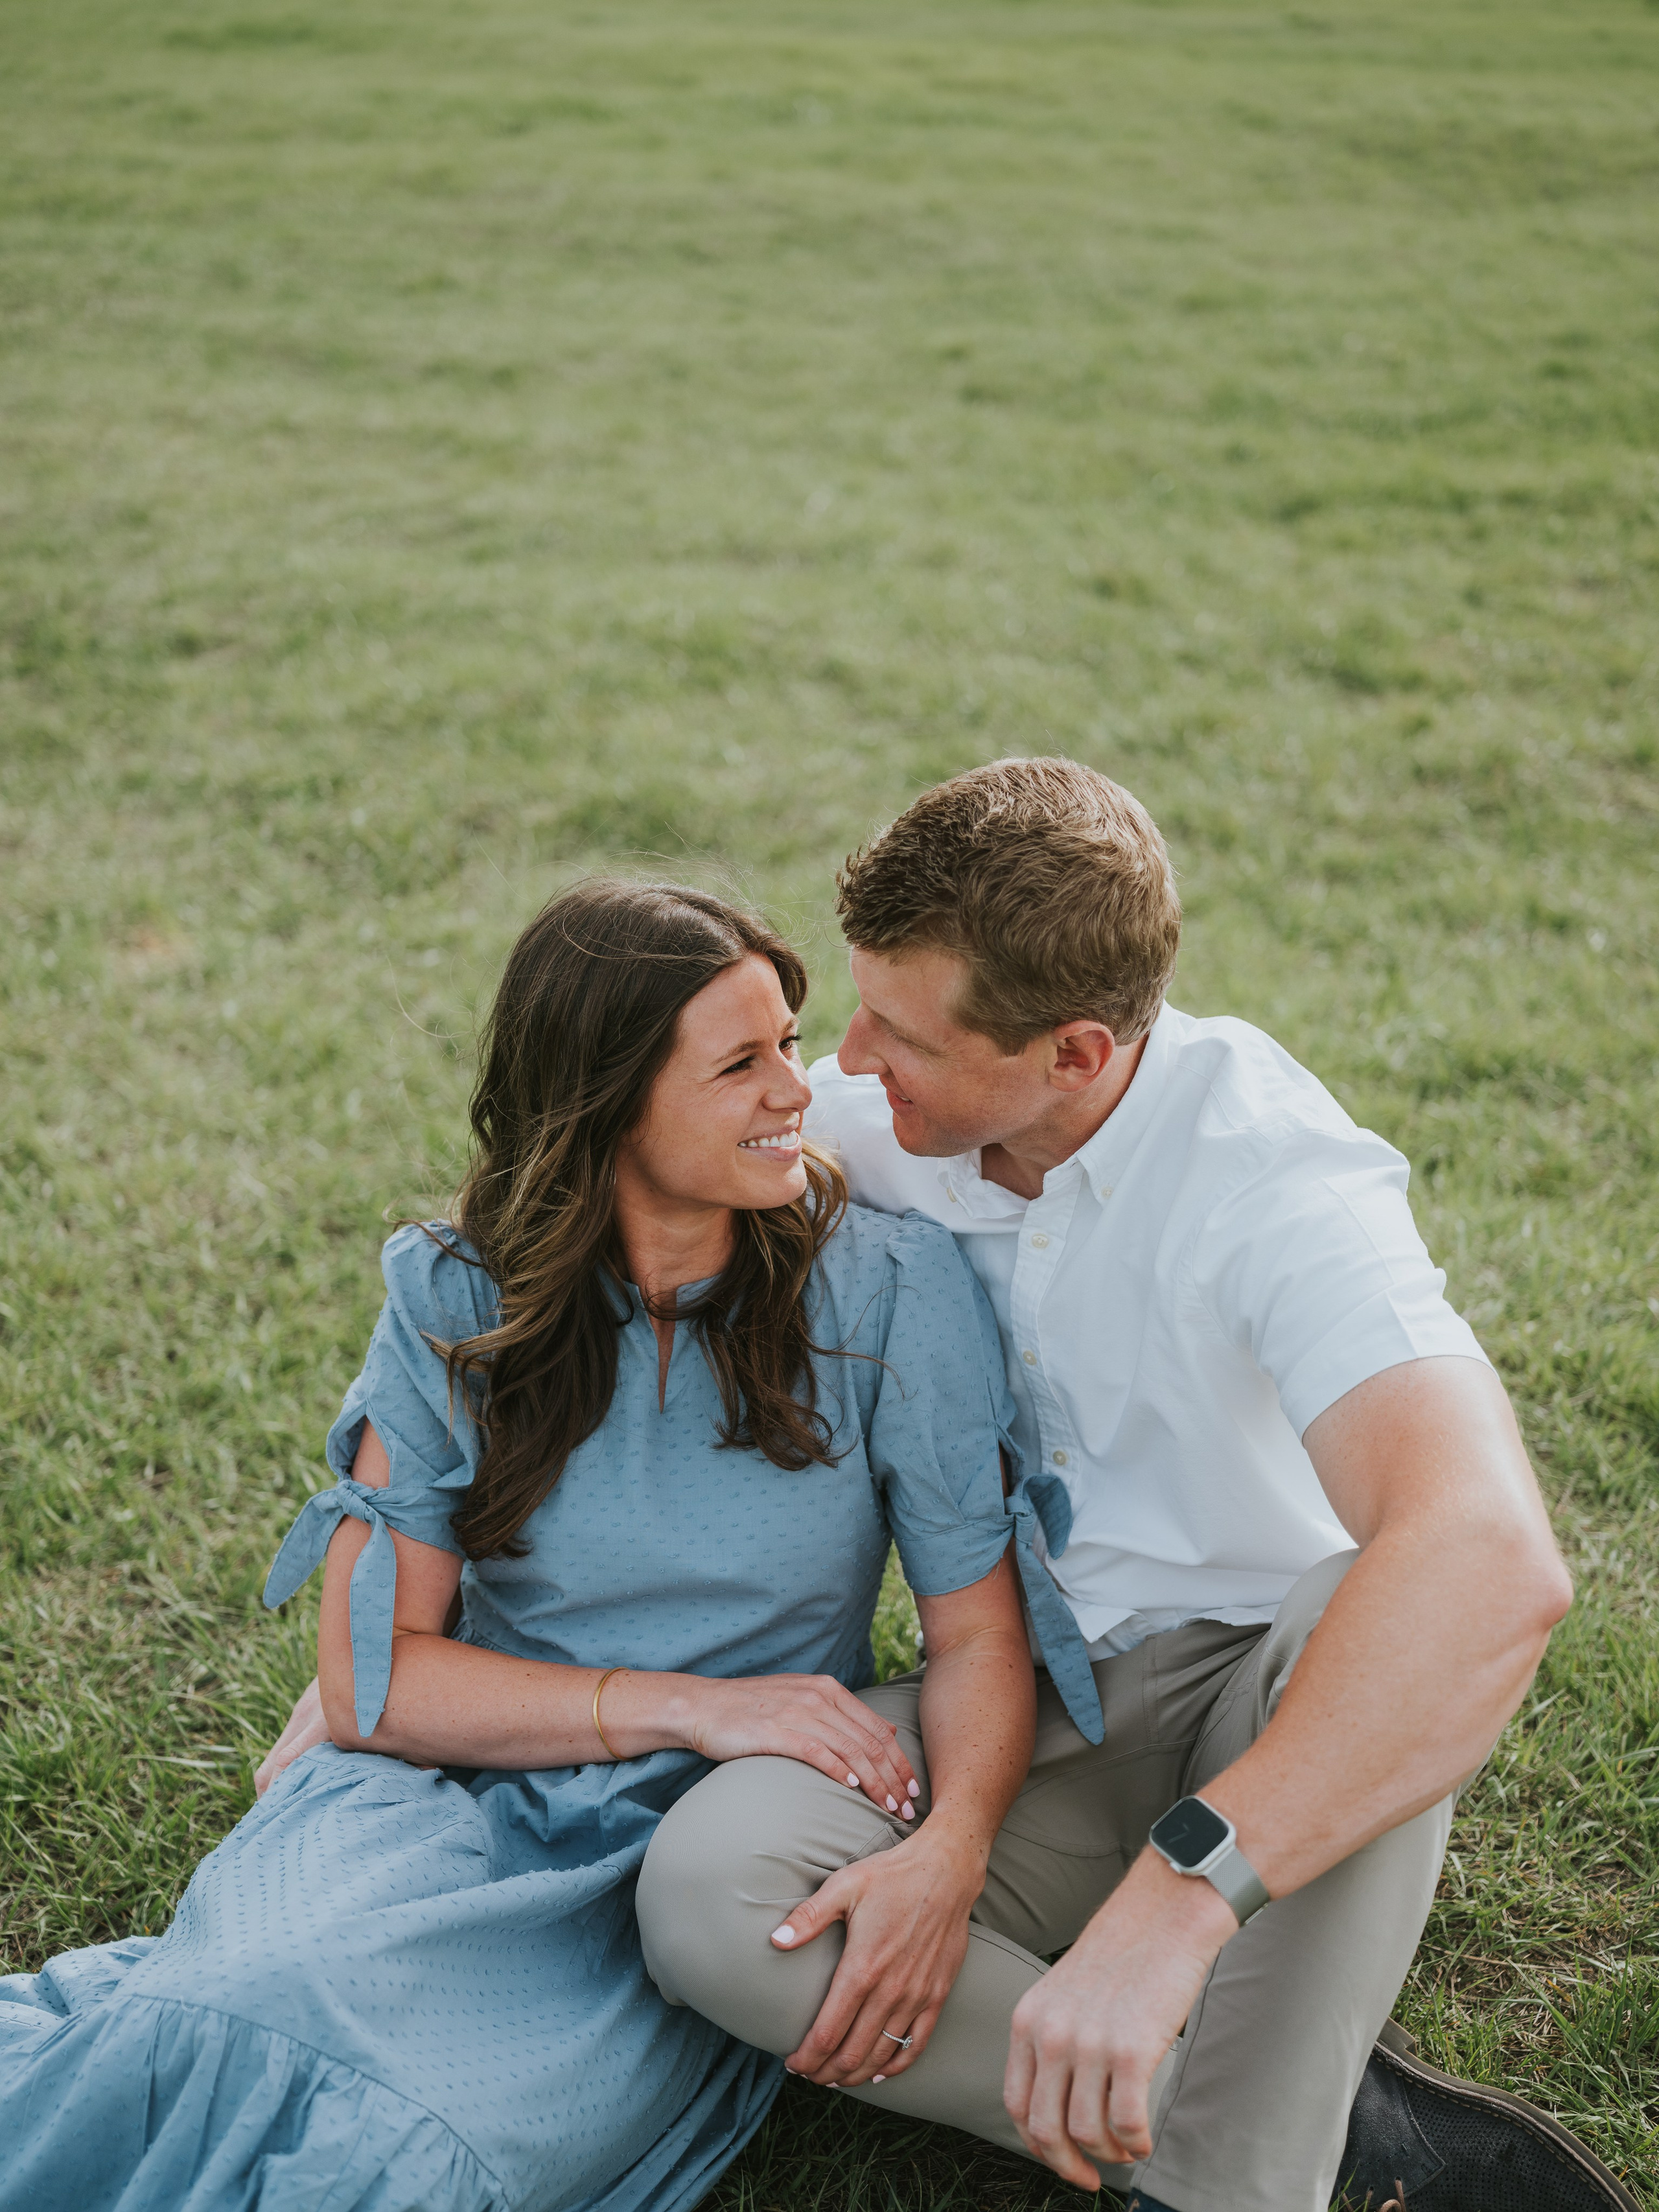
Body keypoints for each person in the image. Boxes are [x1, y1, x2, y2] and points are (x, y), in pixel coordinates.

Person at [635, 760, 1637, 2212]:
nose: (845, 1060)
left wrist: (1174, 1905)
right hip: (1039, 1716)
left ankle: (1225, 2170)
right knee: (712, 1891)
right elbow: (568, 1214)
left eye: (901, 1034)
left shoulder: (1273, 1178)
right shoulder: (876, 1124)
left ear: (1076, 1053)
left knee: (1379, 1596)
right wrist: (408, 1566)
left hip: (1277, 1707)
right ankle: (1285, 2126)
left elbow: (1491, 1558)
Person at [0, 881, 1076, 2212]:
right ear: (607, 1101)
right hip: (451, 1790)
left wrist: (950, 1845)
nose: (796, 1090)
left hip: (686, 1848)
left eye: (789, 1044)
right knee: (236, 2008)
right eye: (740, 1063)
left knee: (418, 2156)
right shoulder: (455, 1294)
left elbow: (976, 1636)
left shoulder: (889, 1291)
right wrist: (692, 1702)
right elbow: (376, 1683)